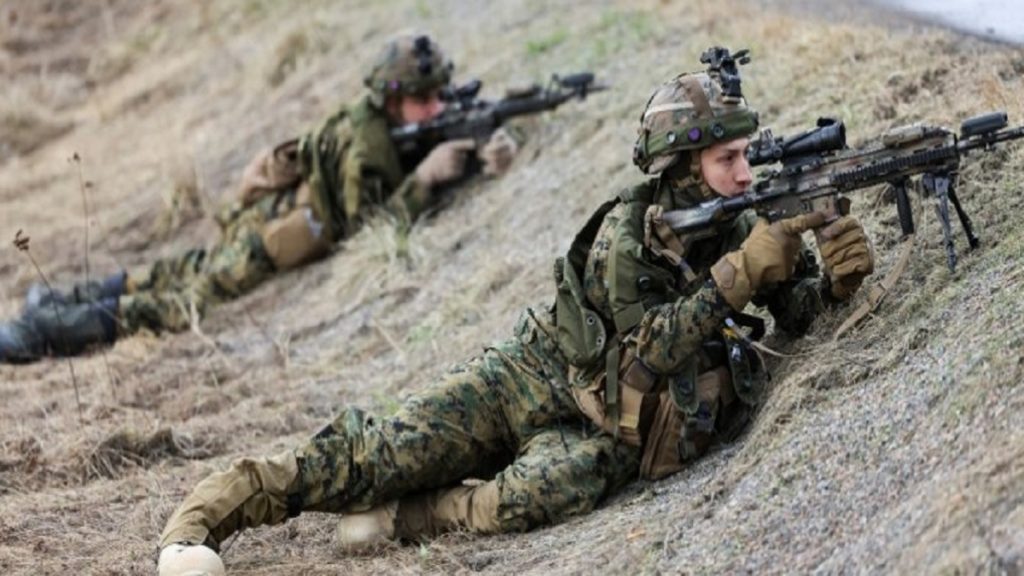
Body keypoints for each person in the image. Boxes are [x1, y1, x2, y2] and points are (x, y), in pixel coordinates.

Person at [155, 49, 875, 575]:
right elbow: (651, 348)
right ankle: (203, 519)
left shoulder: (744, 221)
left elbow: (791, 315)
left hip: (607, 422)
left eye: (746, 156)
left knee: (539, 495)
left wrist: (832, 286)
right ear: (683, 168)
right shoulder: (624, 238)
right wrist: (744, 270)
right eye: (726, 160)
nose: (745, 174)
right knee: (380, 453)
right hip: (528, 376)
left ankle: (410, 517)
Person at [0, 33, 518, 363]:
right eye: (423, 98)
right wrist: (425, 180)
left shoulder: (377, 118)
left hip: (274, 212)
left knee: (183, 267)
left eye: (438, 95)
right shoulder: (368, 147)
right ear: (393, 97)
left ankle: (56, 299)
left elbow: (444, 127)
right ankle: (43, 330)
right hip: (276, 236)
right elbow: (368, 229)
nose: (436, 106)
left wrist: (482, 152)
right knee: (185, 301)